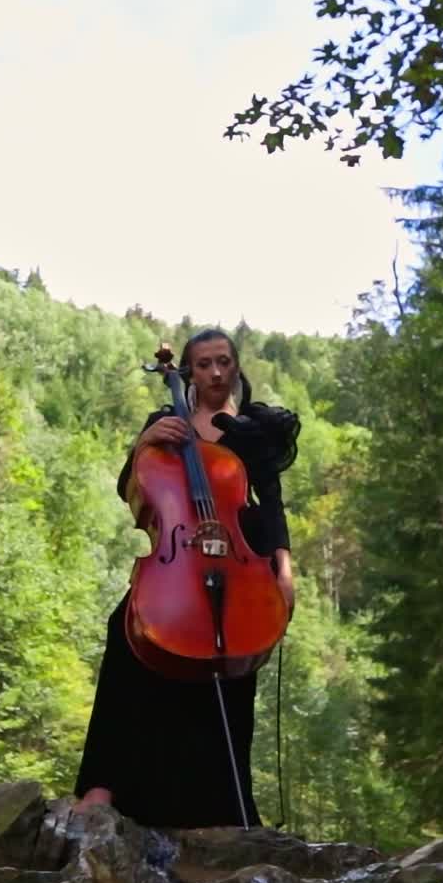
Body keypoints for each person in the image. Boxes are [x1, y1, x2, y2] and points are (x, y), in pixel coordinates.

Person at [72, 329, 300, 828]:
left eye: (223, 362)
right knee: (125, 633)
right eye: (203, 365)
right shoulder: (167, 425)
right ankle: (102, 785)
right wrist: (142, 444)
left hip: (240, 558)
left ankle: (228, 807)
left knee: (236, 663)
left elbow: (271, 501)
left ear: (237, 366)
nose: (215, 372)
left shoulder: (255, 428)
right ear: (190, 374)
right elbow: (131, 489)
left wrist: (283, 567)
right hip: (180, 561)